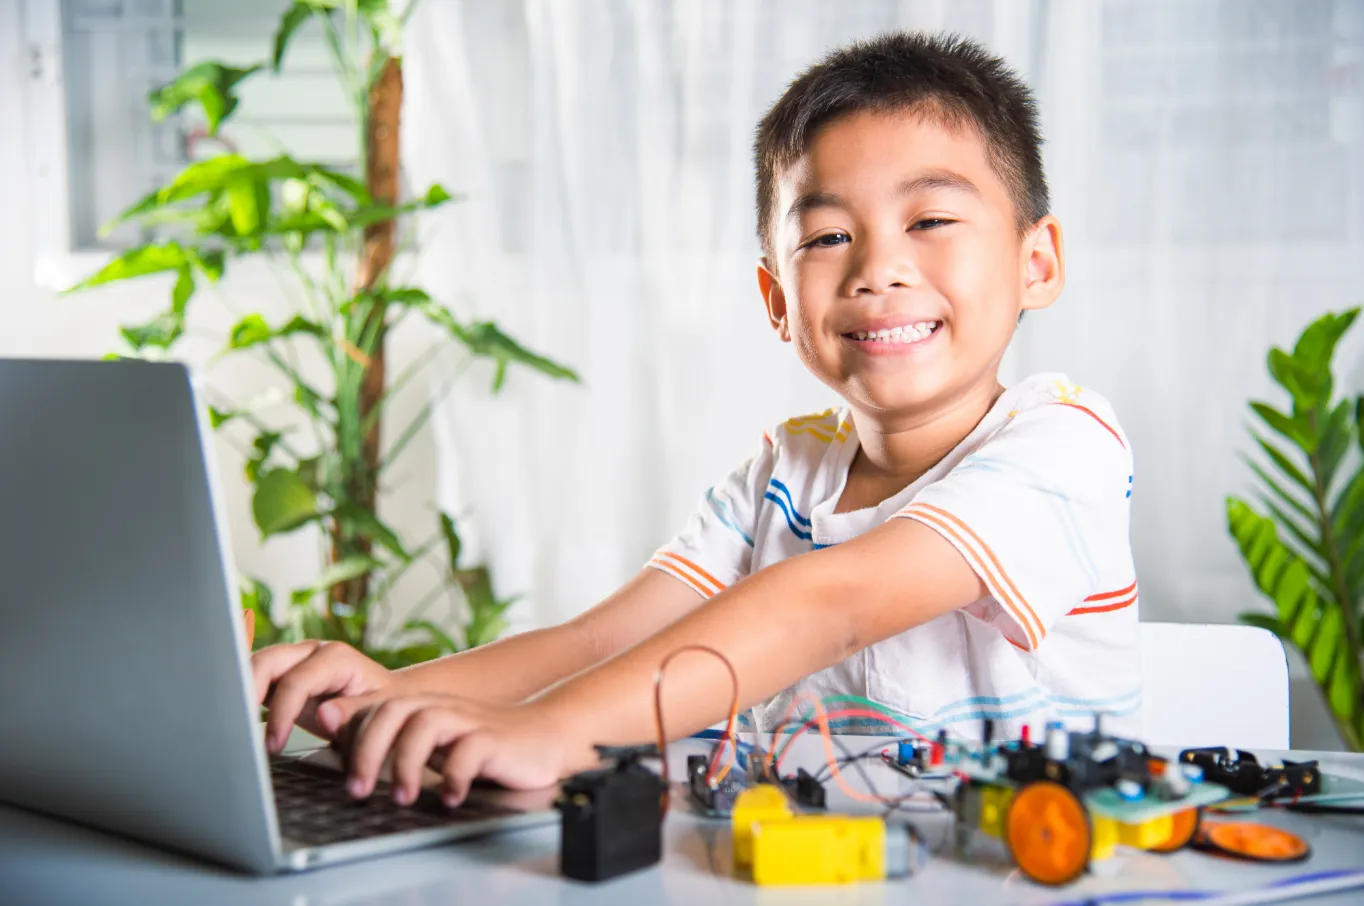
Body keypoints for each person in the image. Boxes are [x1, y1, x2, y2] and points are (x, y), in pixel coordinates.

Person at [252, 31, 1139, 810]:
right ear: (776, 300)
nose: (879, 268)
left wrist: (553, 736)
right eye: (828, 237)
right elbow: (602, 641)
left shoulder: (1065, 446)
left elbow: (833, 604)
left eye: (932, 219)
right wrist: (389, 695)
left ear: (1037, 262)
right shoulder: (780, 475)